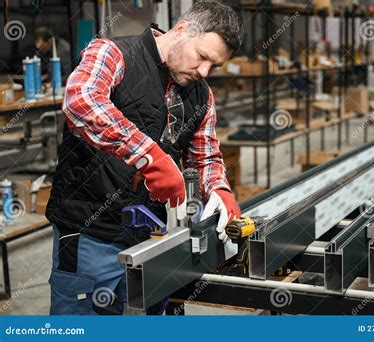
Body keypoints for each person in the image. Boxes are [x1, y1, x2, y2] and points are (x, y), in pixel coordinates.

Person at [46, 1, 244, 315]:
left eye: (215, 66)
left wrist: (218, 188)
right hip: (90, 232)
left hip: (151, 235)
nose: (205, 72)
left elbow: (205, 156)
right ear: (181, 30)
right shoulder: (112, 53)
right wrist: (149, 156)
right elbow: (80, 101)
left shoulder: (201, 94)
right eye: (203, 57)